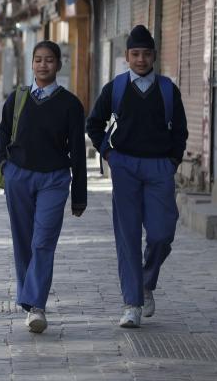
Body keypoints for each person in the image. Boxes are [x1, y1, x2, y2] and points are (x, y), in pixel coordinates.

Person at [85, 25, 188, 329]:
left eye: (146, 53)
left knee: (161, 233)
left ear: (154, 56)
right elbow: (94, 123)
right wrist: (109, 154)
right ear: (126, 57)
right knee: (127, 236)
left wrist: (172, 161)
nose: (141, 59)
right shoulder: (115, 88)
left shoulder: (168, 89)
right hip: (125, 166)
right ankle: (132, 304)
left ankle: (146, 281)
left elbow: (180, 131)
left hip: (159, 168)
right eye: (135, 54)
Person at [0, 40, 87, 334]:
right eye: (38, 60)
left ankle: (36, 305)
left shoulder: (71, 104)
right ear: (32, 63)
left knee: (42, 240)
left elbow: (79, 152)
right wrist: (2, 166)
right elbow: (3, 133)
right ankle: (30, 296)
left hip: (54, 179)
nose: (43, 65)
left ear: (58, 64)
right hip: (19, 177)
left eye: (49, 60)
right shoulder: (17, 98)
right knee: (23, 241)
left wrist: (79, 196)